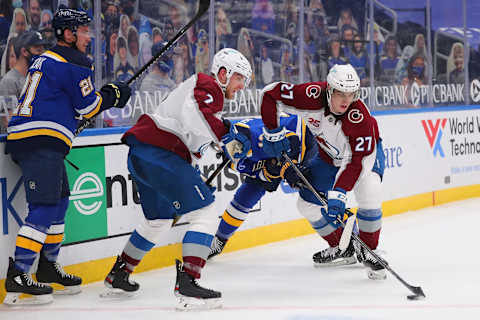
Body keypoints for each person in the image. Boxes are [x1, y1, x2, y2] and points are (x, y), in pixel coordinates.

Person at [102, 48, 252, 310]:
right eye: (239, 78)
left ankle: (119, 274)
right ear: (224, 73)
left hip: (143, 154)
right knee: (205, 211)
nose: (241, 86)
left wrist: (227, 134)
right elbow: (198, 117)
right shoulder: (208, 85)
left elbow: (200, 128)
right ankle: (189, 282)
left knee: (158, 221)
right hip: (160, 153)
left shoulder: (207, 98)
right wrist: (226, 138)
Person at [3, 8, 132, 306]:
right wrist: (112, 95)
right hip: (41, 140)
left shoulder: (45, 59)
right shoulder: (74, 61)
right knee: (45, 206)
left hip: (34, 137)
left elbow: (61, 100)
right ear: (68, 34)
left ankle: (47, 266)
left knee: (60, 200)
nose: (89, 36)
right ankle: (19, 272)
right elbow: (88, 107)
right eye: (84, 31)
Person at [258, 64, 387, 280]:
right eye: (340, 94)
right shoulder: (310, 96)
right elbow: (270, 93)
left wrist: (338, 193)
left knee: (370, 188)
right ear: (328, 90)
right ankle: (342, 247)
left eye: (351, 94)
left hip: (364, 158)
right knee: (306, 204)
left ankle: (368, 250)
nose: (346, 100)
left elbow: (357, 163)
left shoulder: (359, 117)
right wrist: (273, 132)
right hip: (328, 158)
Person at [208, 114, 318, 258]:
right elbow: (261, 175)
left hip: (304, 137)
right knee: (247, 194)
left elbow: (292, 140)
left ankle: (342, 233)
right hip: (272, 154)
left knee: (314, 194)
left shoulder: (255, 135)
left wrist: (289, 165)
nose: (220, 149)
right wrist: (273, 170)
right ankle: (219, 240)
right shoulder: (232, 151)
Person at [0, 31, 48, 129]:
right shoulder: (9, 81)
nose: (42, 54)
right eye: (38, 50)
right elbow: (8, 121)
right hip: (20, 139)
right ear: (24, 52)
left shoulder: (38, 76)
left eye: (43, 49)